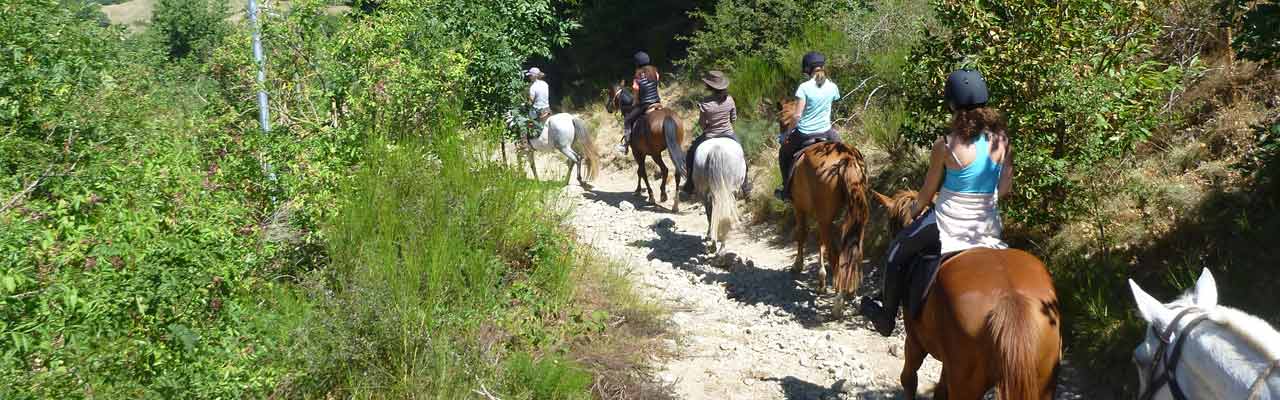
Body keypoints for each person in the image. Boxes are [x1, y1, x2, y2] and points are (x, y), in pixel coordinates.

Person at [858, 69, 1014, 337]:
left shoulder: (945, 145)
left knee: (897, 251)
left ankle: (886, 318)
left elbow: (927, 194)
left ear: (952, 104)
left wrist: (914, 211)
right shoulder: (1002, 143)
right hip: (988, 225)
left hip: (947, 223)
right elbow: (1005, 188)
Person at [775, 51, 841, 201]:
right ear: (823, 67)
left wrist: (787, 134)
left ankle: (786, 191)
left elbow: (797, 115)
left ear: (807, 69)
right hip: (827, 132)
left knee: (784, 154)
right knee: (846, 154)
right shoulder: (832, 86)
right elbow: (833, 101)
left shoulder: (804, 87)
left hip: (805, 133)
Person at [681, 70, 747, 195]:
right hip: (728, 133)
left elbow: (701, 124)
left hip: (710, 135)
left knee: (690, 153)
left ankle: (689, 183)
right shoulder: (730, 100)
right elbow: (733, 119)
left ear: (709, 86)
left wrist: (708, 127)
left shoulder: (705, 103)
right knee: (742, 154)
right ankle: (746, 186)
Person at [617, 51, 662, 154]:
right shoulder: (655, 73)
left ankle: (625, 145)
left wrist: (634, 104)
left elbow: (636, 99)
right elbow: (656, 86)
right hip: (657, 103)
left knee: (627, 120)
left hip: (644, 105)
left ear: (637, 64)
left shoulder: (638, 77)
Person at [526, 67, 551, 135]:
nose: (529, 77)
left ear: (533, 76)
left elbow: (530, 102)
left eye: (530, 75)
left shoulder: (533, 87)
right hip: (547, 109)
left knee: (526, 122)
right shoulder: (545, 84)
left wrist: (526, 104)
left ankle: (527, 141)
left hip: (537, 110)